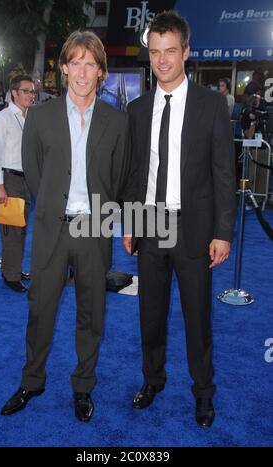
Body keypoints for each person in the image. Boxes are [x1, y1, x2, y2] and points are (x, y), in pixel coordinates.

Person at [0, 30, 131, 422]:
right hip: (52, 229)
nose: (82, 71)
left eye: (90, 63)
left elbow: (120, 178)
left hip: (94, 229)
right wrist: (55, 209)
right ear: (65, 68)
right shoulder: (39, 117)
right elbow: (35, 175)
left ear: (101, 72)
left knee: (92, 312)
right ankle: (32, 380)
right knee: (40, 307)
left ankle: (83, 385)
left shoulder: (118, 122)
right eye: (76, 62)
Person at [123, 10, 236, 428]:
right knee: (149, 315)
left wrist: (222, 232)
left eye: (171, 51)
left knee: (197, 319)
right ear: (149, 55)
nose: (163, 61)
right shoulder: (138, 109)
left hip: (195, 229)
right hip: (151, 226)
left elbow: (224, 172)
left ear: (186, 52)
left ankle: (203, 393)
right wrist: (132, 222)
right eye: (155, 52)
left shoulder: (211, 105)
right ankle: (152, 380)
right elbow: (136, 174)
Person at [0, 75, 35, 292]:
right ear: (14, 93)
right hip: (10, 180)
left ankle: (14, 268)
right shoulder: (2, 119)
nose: (30, 95)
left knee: (22, 228)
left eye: (32, 91)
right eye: (26, 91)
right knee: (11, 231)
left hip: (26, 180)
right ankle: (10, 275)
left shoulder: (30, 118)